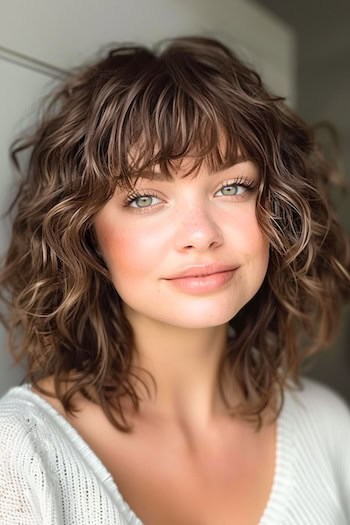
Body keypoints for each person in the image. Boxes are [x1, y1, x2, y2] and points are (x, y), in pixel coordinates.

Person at [0, 35, 349, 525]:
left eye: (232, 187)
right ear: (87, 232)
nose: (201, 235)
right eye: (144, 198)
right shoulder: (17, 459)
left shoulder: (330, 428)